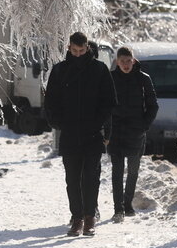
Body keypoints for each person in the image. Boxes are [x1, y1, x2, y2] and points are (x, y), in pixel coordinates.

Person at [44, 31, 116, 237]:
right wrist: (58, 122)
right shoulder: (60, 70)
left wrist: (100, 125)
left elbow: (108, 101)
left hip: (92, 133)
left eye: (81, 50)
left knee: (91, 177)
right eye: (74, 50)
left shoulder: (99, 70)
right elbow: (51, 102)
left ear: (87, 48)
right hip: (70, 132)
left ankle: (89, 217)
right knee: (72, 178)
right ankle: (76, 219)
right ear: (68, 48)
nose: (77, 54)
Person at [107, 47, 158, 222]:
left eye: (129, 61)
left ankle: (127, 203)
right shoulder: (111, 79)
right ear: (117, 61)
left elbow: (153, 105)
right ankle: (118, 208)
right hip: (116, 132)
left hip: (136, 132)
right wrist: (107, 128)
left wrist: (144, 125)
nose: (126, 65)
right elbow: (104, 105)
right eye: (122, 61)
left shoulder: (143, 79)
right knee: (117, 171)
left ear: (134, 60)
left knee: (133, 171)